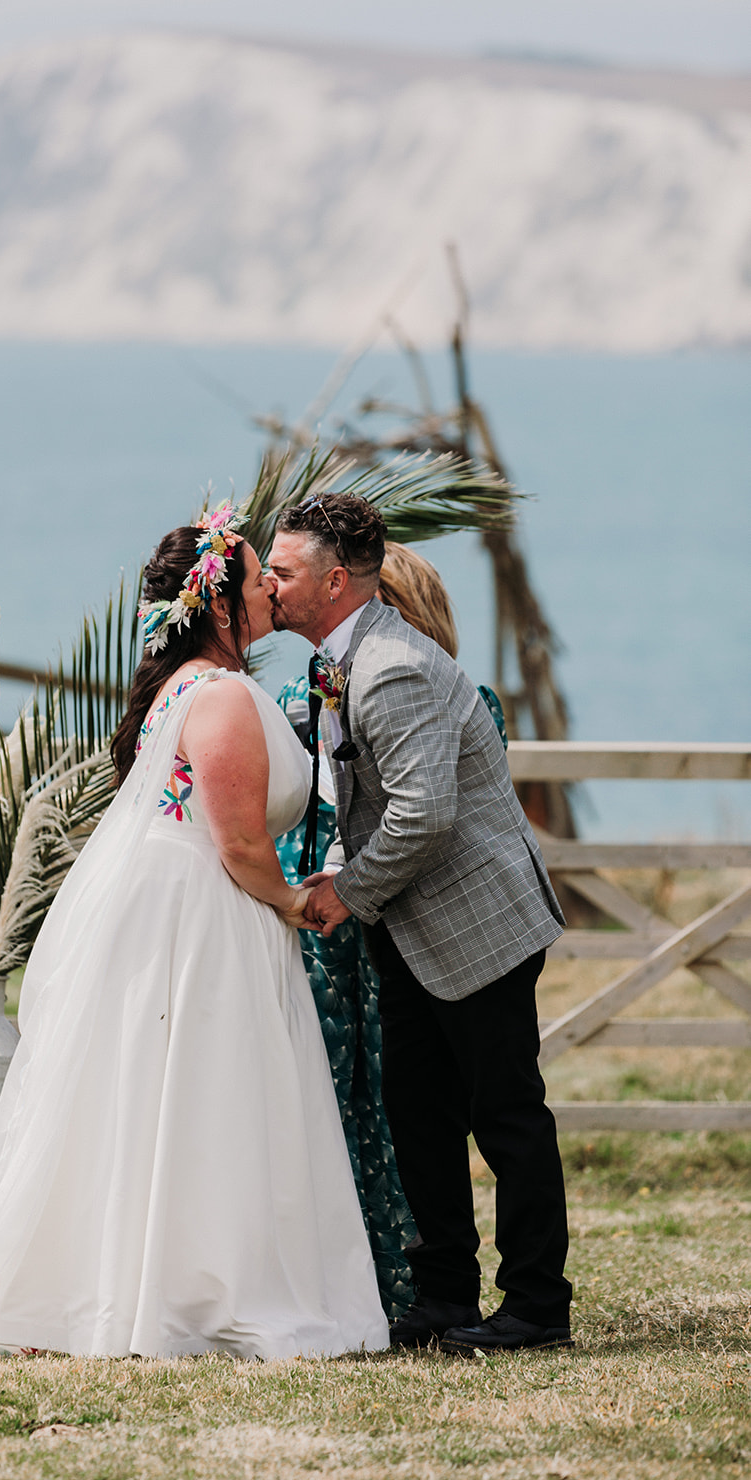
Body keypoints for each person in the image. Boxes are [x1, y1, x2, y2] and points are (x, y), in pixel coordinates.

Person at [0, 504, 389, 1361]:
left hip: (175, 902)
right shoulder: (218, 697)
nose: (267, 591)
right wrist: (294, 902)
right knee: (203, 1090)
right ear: (218, 605)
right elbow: (239, 841)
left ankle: (165, 1270)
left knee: (175, 1092)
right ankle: (194, 1286)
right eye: (257, 578)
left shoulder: (185, 688)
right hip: (205, 914)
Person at [267, 493, 574, 1357]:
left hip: (476, 925)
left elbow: (423, 817)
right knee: (420, 1117)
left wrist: (344, 891)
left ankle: (536, 1307)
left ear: (332, 581)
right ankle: (442, 1297)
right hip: (409, 925)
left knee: (505, 1116)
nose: (269, 585)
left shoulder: (390, 667)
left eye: (282, 572)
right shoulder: (346, 657)